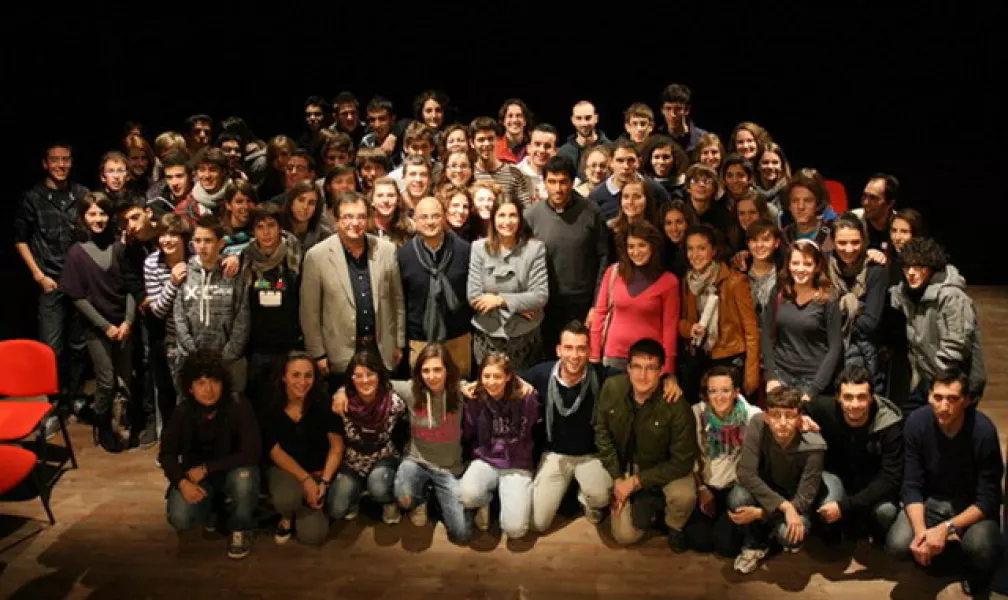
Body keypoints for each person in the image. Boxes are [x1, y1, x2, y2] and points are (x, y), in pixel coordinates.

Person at [886, 370, 1004, 597]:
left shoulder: (983, 431)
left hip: (970, 505)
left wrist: (947, 528)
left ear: (966, 401)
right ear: (929, 396)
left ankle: (973, 571)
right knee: (897, 544)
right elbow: (911, 485)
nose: (943, 406)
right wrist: (922, 533)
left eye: (952, 399)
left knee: (984, 548)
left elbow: (989, 498)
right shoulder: (917, 423)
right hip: (932, 501)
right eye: (937, 397)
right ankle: (944, 558)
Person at [594, 338, 698, 549]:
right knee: (624, 536)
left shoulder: (676, 405)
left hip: (664, 466)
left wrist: (635, 482)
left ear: (661, 371)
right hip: (626, 466)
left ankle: (674, 525)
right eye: (637, 367)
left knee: (684, 496)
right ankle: (647, 504)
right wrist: (617, 478)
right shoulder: (612, 388)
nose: (643, 375)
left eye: (651, 368)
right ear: (628, 369)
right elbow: (601, 433)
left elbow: (682, 462)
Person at [160, 350, 261, 560]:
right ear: (190, 387)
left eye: (214, 381)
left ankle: (240, 529)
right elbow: (167, 454)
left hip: (232, 471)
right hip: (197, 478)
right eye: (201, 383)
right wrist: (181, 483)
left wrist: (208, 468)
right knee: (179, 517)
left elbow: (252, 452)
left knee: (245, 479)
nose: (208, 389)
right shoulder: (182, 411)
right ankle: (213, 511)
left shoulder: (238, 405)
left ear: (223, 383)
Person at [300, 191, 405, 390]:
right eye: (348, 217)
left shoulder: (386, 250)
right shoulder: (317, 256)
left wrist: (398, 342)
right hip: (339, 352)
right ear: (336, 219)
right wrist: (318, 354)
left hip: (380, 348)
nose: (355, 223)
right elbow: (309, 312)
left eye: (361, 216)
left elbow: (396, 300)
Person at [14, 140, 90, 415]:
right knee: (51, 348)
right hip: (50, 280)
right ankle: (54, 404)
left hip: (79, 281)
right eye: (55, 160)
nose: (61, 165)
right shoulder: (32, 197)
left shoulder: (81, 194)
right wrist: (38, 275)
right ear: (45, 164)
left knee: (80, 344)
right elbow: (20, 240)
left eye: (66, 159)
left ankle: (77, 395)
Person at [60, 192, 135, 451]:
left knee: (124, 380)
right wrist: (106, 326)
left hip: (123, 325)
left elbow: (130, 288)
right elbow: (77, 297)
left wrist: (127, 321)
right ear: (83, 218)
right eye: (92, 214)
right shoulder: (76, 253)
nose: (98, 219)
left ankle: (120, 424)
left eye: (102, 213)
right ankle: (101, 423)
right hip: (97, 327)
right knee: (106, 380)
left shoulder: (120, 247)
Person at [729, 386, 831, 574]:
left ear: (800, 417)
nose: (782, 422)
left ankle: (773, 533)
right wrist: (784, 507)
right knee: (737, 498)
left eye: (790, 416)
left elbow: (804, 500)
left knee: (790, 535)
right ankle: (755, 545)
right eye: (775, 415)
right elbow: (745, 473)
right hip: (768, 490)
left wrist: (761, 514)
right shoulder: (758, 424)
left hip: (795, 498)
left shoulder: (814, 446)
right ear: (766, 417)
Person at [524, 322, 613, 532]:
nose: (575, 355)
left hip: (590, 455)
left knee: (601, 496)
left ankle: (586, 498)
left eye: (581, 348)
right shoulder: (542, 375)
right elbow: (506, 378)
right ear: (559, 350)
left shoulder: (601, 376)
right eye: (569, 348)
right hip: (555, 454)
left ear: (590, 350)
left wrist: (668, 379)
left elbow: (636, 379)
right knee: (538, 523)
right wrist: (470, 386)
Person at [803, 365, 902, 545]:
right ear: (838, 398)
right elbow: (800, 407)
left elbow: (890, 478)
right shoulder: (825, 407)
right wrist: (802, 417)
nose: (855, 404)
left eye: (861, 397)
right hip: (837, 476)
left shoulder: (889, 426)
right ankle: (833, 537)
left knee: (885, 512)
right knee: (828, 501)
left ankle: (872, 538)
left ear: (872, 398)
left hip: (873, 482)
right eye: (848, 397)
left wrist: (845, 507)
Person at [889, 237, 986, 414]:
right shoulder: (907, 294)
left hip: (956, 384)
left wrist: (935, 388)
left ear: (932, 269)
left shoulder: (951, 297)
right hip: (929, 380)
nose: (911, 272)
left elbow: (956, 347)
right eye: (907, 267)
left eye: (919, 267)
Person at [525, 155, 608, 355]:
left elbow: (604, 258)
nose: (558, 188)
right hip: (545, 306)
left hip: (582, 303)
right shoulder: (531, 215)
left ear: (572, 182)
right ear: (544, 182)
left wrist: (597, 305)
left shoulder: (591, 212)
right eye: (552, 182)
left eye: (563, 182)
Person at [391, 344, 472, 542]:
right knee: (403, 497)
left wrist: (523, 384)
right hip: (416, 462)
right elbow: (373, 381)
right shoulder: (411, 390)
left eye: (437, 370)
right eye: (426, 370)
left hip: (448, 469)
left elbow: (495, 381)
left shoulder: (460, 391)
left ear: (447, 370)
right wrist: (342, 391)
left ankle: (438, 498)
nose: (432, 376)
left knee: (461, 534)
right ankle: (421, 499)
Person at [264, 352, 343, 546]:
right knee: (287, 499)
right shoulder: (271, 405)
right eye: (296, 375)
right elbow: (275, 451)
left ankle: (306, 505)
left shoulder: (323, 403)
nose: (302, 381)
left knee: (314, 536)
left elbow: (336, 447)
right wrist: (305, 480)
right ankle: (286, 516)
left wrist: (323, 482)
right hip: (284, 470)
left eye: (308, 375)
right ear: (284, 377)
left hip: (317, 472)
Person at [459, 352, 539, 540]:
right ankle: (485, 500)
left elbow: (532, 424)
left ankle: (509, 500)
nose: (491, 382)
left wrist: (520, 382)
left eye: (497, 376)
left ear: (508, 376)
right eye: (487, 376)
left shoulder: (526, 397)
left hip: (516, 463)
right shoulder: (475, 398)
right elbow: (469, 431)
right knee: (467, 496)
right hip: (486, 458)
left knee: (515, 530)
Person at [683, 366, 762, 556]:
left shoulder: (751, 416)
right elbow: (689, 453)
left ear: (736, 392)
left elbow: (775, 423)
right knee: (698, 540)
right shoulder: (696, 414)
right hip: (706, 485)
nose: (719, 397)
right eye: (713, 391)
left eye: (726, 390)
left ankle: (757, 540)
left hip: (735, 487)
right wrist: (701, 488)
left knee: (727, 546)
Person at [678, 224, 761, 401]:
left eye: (701, 248)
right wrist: (690, 328)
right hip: (700, 356)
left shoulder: (735, 281)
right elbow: (680, 322)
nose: (695, 254)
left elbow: (751, 330)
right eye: (690, 249)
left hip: (730, 356)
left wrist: (751, 373)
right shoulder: (687, 281)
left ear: (713, 251)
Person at [466, 196, 549, 370]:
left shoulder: (535, 249)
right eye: (501, 215)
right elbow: (474, 296)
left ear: (520, 218)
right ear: (493, 219)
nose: (507, 221)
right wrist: (520, 306)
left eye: (512, 215)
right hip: (488, 337)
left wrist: (499, 300)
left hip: (525, 339)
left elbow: (540, 296)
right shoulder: (478, 248)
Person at [328, 349, 408, 524]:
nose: (365, 380)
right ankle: (356, 495)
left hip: (383, 456)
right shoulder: (342, 403)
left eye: (370, 374)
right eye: (358, 376)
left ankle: (387, 500)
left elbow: (404, 432)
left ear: (378, 375)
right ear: (351, 379)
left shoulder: (394, 403)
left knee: (378, 486)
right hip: (352, 461)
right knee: (336, 509)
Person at [173, 216, 250, 394]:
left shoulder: (232, 273)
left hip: (228, 360)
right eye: (197, 240)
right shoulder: (184, 272)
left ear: (221, 243)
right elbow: (179, 317)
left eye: (208, 240)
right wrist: (193, 353)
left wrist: (228, 355)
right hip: (192, 358)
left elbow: (242, 317)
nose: (202, 246)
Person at [590, 222, 679, 374]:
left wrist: (668, 368)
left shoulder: (669, 281)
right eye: (631, 246)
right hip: (614, 357)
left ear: (652, 246)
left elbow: (670, 328)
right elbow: (600, 313)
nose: (636, 252)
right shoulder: (613, 273)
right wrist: (594, 354)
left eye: (641, 245)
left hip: (648, 361)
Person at [240, 204, 304, 415]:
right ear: (253, 231)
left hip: (289, 346)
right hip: (256, 349)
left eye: (271, 226)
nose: (266, 232)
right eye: (260, 227)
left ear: (280, 228)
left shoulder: (295, 257)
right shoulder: (244, 259)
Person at [398, 196, 472, 375]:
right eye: (424, 217)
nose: (430, 222)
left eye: (435, 216)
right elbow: (399, 302)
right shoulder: (403, 255)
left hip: (458, 338)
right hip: (419, 340)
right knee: (422, 395)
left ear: (444, 217)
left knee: (460, 393)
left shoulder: (465, 250)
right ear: (414, 220)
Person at [761, 240, 842, 402]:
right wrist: (770, 377)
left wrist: (814, 389)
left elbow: (835, 347)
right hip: (781, 374)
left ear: (817, 266)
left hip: (813, 378)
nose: (800, 269)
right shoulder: (778, 292)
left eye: (807, 264)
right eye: (795, 263)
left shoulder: (828, 298)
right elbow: (767, 336)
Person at [829, 213, 888, 394]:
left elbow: (871, 323)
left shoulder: (874, 269)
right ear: (832, 241)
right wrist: (857, 310)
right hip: (828, 351)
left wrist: (838, 311)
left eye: (855, 242)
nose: (849, 249)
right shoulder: (823, 265)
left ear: (864, 241)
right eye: (842, 243)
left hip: (864, 353)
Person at [144, 213, 192, 429]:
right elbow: (157, 310)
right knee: (170, 394)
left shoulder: (196, 259)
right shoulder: (152, 263)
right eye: (162, 235)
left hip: (199, 335)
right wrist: (172, 283)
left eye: (173, 234)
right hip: (171, 338)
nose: (167, 240)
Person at [588, 139, 671, 221]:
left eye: (631, 160)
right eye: (620, 160)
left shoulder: (656, 191)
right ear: (610, 162)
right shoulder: (596, 197)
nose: (626, 166)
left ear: (638, 162)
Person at [470, 116, 533, 208]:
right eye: (481, 140)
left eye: (490, 139)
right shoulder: (469, 173)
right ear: (472, 143)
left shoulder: (514, 173)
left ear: (498, 140)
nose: (486, 144)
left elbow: (526, 210)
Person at [557, 100, 610, 180]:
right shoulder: (564, 152)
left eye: (588, 118)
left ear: (596, 118)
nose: (584, 123)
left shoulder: (610, 148)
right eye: (579, 118)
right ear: (573, 120)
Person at [658, 83, 709, 152]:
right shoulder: (656, 137)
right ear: (662, 110)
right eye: (668, 108)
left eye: (678, 109)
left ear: (687, 110)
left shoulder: (702, 137)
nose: (673, 114)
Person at [496, 98, 531, 164]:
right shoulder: (495, 149)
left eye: (519, 116)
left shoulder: (534, 149)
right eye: (510, 116)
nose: (514, 120)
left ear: (525, 121)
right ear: (503, 121)